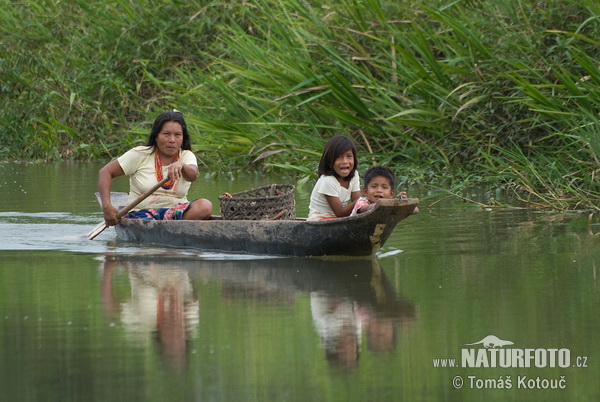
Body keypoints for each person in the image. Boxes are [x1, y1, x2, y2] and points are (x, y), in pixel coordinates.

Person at [98, 110, 212, 226]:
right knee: (148, 221)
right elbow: (105, 172)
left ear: (182, 138)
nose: (172, 140)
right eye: (166, 134)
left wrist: (181, 165)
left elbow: (192, 175)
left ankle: (170, 228)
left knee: (205, 206)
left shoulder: (186, 156)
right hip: (142, 213)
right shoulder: (141, 154)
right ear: (156, 136)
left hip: (176, 213)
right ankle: (169, 229)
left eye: (177, 135)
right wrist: (107, 206)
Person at [307, 135, 361, 221]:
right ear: (329, 162)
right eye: (338, 157)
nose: (345, 161)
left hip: (338, 219)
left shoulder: (354, 175)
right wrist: (365, 198)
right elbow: (340, 213)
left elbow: (357, 203)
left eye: (349, 156)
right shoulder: (327, 181)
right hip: (320, 220)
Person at [351, 166, 419, 216]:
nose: (379, 190)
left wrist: (402, 203)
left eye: (384, 187)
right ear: (365, 192)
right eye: (374, 186)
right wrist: (391, 204)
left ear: (391, 194)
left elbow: (415, 210)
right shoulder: (362, 201)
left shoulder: (390, 205)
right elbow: (365, 208)